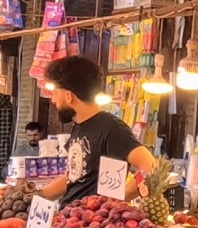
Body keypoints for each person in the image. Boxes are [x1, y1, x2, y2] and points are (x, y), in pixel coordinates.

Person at [37, 55, 155, 206]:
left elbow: (150, 166)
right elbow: (74, 177)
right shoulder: (79, 126)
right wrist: (37, 194)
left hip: (92, 226)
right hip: (70, 221)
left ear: (68, 96)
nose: (53, 100)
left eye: (55, 93)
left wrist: (118, 199)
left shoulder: (111, 128)